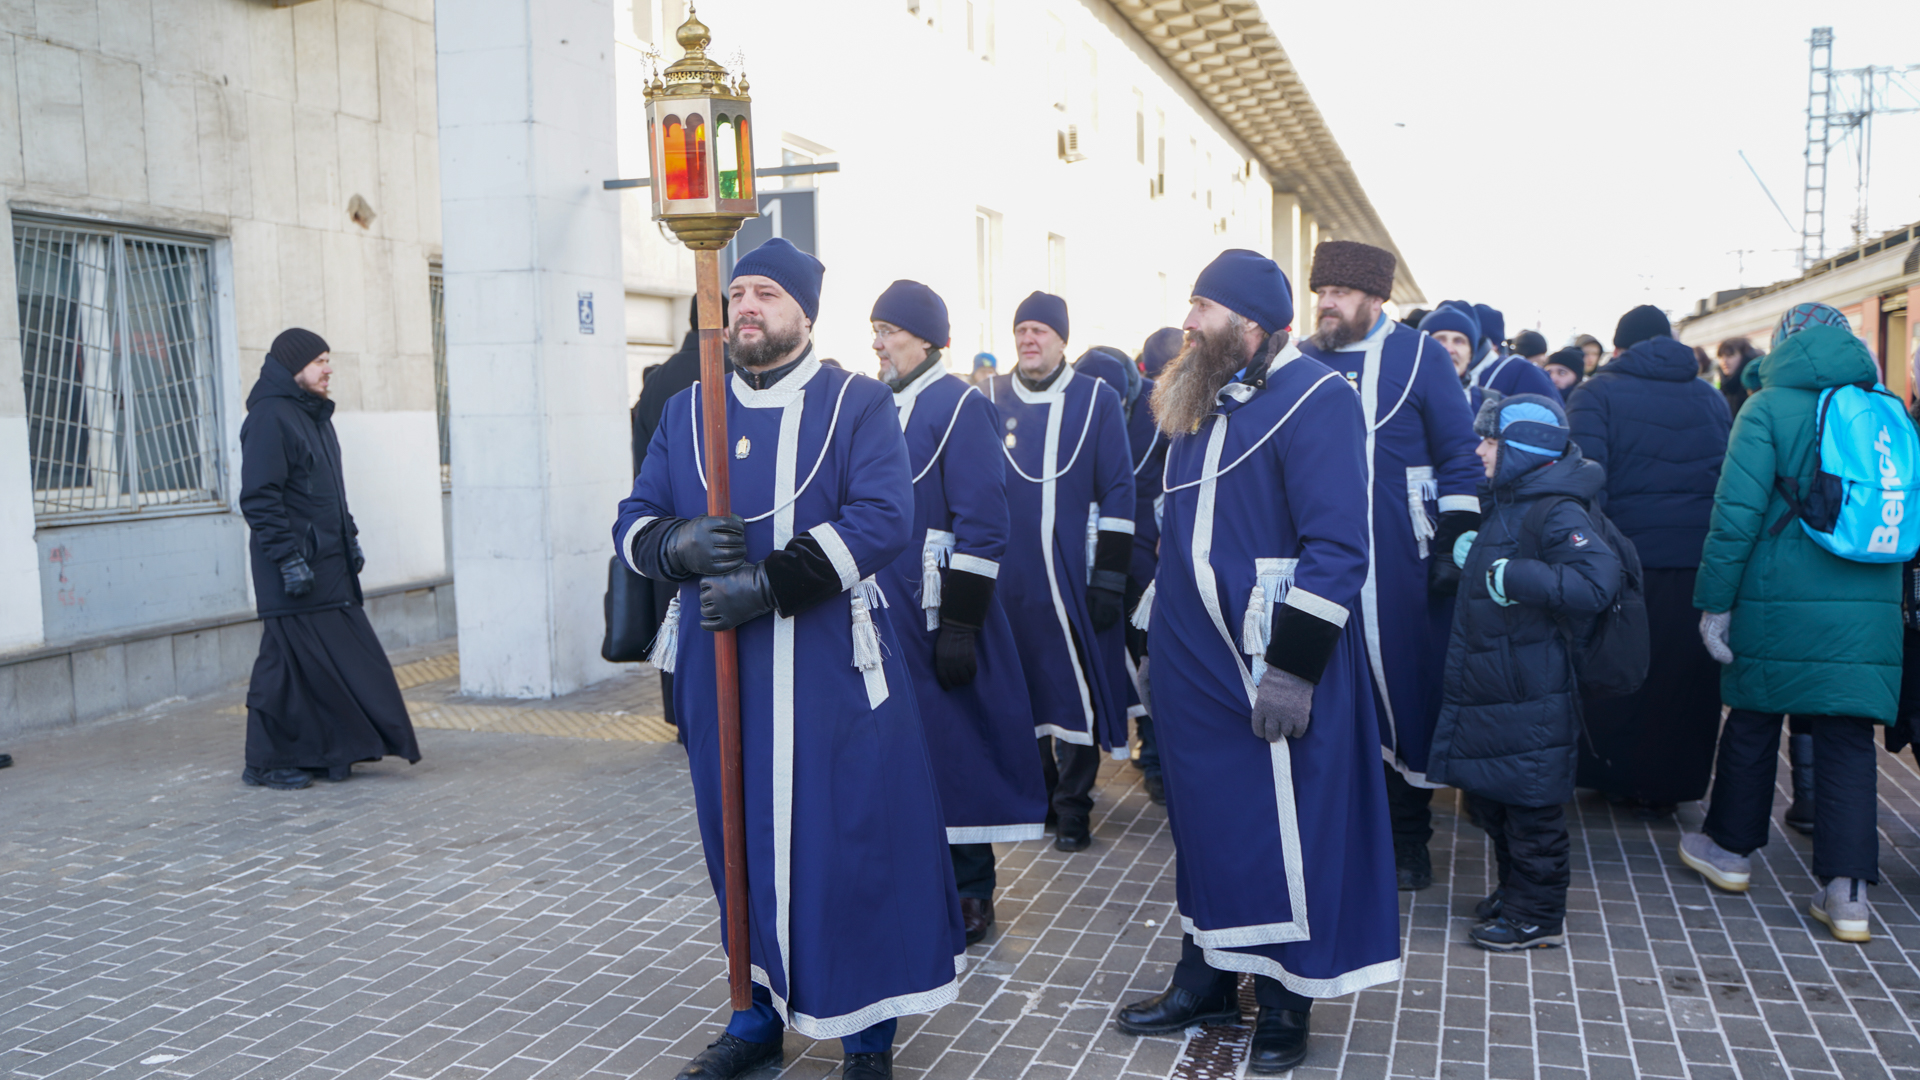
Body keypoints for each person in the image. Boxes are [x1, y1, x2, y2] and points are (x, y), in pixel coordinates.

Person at [615, 239, 962, 1080]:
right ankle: (753, 1012)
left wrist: (770, 585)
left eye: (766, 293)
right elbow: (634, 520)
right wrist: (677, 542)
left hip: (829, 666)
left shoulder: (857, 406)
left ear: (806, 312)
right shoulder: (686, 411)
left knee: (847, 843)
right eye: (736, 294)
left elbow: (884, 519)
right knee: (732, 837)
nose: (746, 308)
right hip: (719, 665)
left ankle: (867, 1037)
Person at [1114, 250, 1400, 1074]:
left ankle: (1284, 999)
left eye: (1201, 306)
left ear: (1246, 323)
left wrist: (1293, 668)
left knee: (1289, 830)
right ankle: (1206, 975)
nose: (1187, 321)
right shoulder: (1196, 395)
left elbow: (1340, 549)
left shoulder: (1318, 399)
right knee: (1208, 824)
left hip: (1269, 659)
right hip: (1193, 662)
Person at [1682, 302, 1901, 945]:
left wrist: (1714, 602)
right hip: (1869, 599)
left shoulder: (1768, 407)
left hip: (1776, 596)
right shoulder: (1885, 407)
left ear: (1783, 345)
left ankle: (1729, 852)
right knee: (1846, 738)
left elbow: (1736, 516)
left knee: (1752, 719)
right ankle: (1848, 894)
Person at [1299, 240, 1482, 891]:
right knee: (1327, 698)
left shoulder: (1419, 357)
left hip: (1400, 567)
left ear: (1375, 298)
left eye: (1340, 292)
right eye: (1321, 290)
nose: (1326, 302)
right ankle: (1345, 834)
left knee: (1403, 700)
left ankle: (1409, 840)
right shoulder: (1300, 359)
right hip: (1316, 564)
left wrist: (1455, 537)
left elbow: (1460, 454)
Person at [869, 279, 1045, 948]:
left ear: (925, 338)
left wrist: (963, 625)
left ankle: (972, 890)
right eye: (876, 327)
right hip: (888, 611)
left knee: (955, 744)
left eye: (888, 329)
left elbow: (985, 521)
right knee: (904, 751)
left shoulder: (959, 404)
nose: (878, 342)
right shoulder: (880, 404)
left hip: (941, 610)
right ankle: (919, 879)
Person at [1428, 393, 1621, 950]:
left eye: (1490, 440)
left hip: (1531, 686)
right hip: (1502, 682)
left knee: (1531, 807)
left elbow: (1595, 582)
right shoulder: (1513, 499)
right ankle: (1516, 892)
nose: (1478, 449)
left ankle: (1538, 915)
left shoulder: (1556, 509)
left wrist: (1514, 576)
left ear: (1520, 449)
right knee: (1499, 798)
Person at [237, 329, 421, 791]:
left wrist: (349, 536)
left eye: (328, 359)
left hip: (326, 563)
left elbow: (328, 492)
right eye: (319, 360)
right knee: (283, 665)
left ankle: (327, 752)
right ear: (293, 367)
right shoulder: (269, 418)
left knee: (334, 662)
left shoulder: (314, 417)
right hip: (293, 569)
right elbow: (260, 499)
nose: (328, 368)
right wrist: (287, 560)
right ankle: (263, 762)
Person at [1565, 304, 1730, 816]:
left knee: (1620, 668)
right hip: (1696, 558)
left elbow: (1586, 482)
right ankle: (1669, 784)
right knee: (1684, 675)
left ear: (1618, 348)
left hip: (1627, 558)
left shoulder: (1595, 393)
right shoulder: (1710, 397)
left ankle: (1612, 775)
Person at [985, 292, 1135, 852]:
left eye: (1040, 330)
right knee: (1019, 689)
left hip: (1073, 577)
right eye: (1021, 329)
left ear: (1062, 339)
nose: (1029, 339)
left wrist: (1111, 579)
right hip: (1007, 579)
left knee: (1076, 690)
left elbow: (1119, 491)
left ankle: (1074, 806)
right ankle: (1043, 793)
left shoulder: (1096, 398)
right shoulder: (991, 397)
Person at [630, 299, 732, 741]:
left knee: (673, 623)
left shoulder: (657, 381)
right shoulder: (736, 374)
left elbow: (641, 460)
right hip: (724, 535)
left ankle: (679, 715)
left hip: (666, 534)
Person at [1074, 345, 1169, 803]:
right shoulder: (1073, 402)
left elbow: (1179, 475)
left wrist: (1169, 536)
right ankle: (1076, 774)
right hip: (1085, 556)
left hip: (1147, 557)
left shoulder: (1161, 405)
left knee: (1150, 657)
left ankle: (1155, 758)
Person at [1463, 302, 1562, 406]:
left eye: (1459, 341)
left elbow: (1549, 418)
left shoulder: (1522, 372)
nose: (1451, 348)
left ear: (1491, 344)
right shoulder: (1455, 374)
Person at [1715, 337, 1761, 419]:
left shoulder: (1754, 385)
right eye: (1721, 356)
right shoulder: (1724, 387)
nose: (1724, 361)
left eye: (1730, 355)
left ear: (1744, 357)